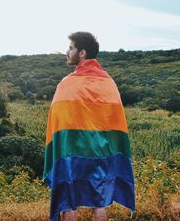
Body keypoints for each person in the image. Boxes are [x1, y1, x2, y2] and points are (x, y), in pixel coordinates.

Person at [43, 32, 135, 221]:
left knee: (69, 200)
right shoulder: (108, 83)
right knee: (100, 201)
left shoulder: (67, 84)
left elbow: (58, 121)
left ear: (82, 52)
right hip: (101, 152)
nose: (67, 52)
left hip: (72, 153)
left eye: (71, 48)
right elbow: (115, 119)